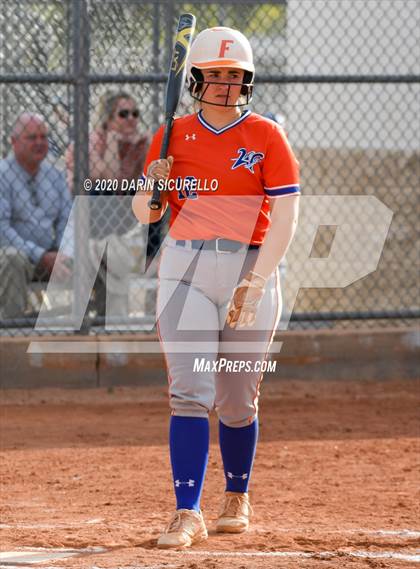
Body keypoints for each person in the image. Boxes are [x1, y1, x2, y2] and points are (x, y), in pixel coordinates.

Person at [132, 27, 300, 549]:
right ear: (196, 78)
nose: (226, 84)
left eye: (235, 75)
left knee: (236, 399)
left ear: (247, 81)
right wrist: (152, 187)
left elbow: (287, 216)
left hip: (250, 265)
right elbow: (145, 214)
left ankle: (236, 495)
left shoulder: (268, 135)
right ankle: (187, 510)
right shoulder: (169, 136)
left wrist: (257, 280)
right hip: (187, 267)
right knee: (189, 393)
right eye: (216, 74)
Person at [66, 91, 150, 318]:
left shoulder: (137, 142)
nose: (132, 119)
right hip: (88, 217)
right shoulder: (90, 141)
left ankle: (149, 254)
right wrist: (113, 140)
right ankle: (114, 319)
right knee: (100, 189)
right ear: (108, 119)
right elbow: (111, 182)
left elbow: (147, 181)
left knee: (154, 197)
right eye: (123, 114)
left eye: (135, 113)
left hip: (121, 218)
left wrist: (141, 148)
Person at [0, 113, 73, 320]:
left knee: (96, 254)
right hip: (15, 257)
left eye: (43, 137)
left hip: (52, 256)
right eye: (32, 138)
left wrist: (61, 252)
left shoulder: (55, 175)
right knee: (12, 258)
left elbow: (66, 220)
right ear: (14, 142)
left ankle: (98, 327)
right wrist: (40, 255)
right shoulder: (2, 175)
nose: (40, 143)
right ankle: (12, 330)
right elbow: (3, 231)